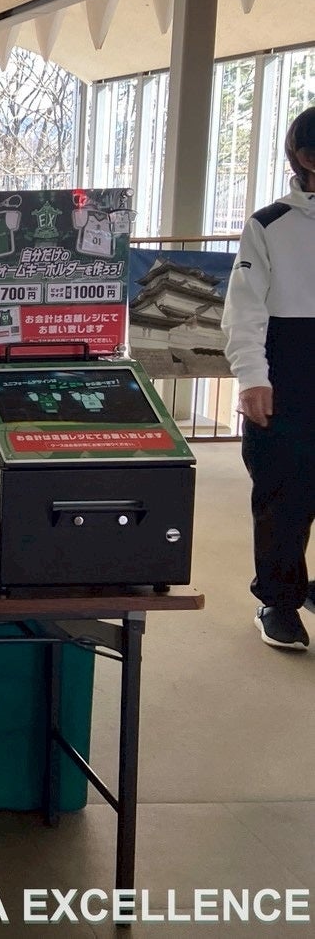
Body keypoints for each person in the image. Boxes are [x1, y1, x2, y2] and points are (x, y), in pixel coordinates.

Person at [224, 106, 315, 650]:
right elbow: (244, 307)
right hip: (289, 364)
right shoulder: (270, 224)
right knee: (284, 490)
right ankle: (279, 601)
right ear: (306, 158)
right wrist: (251, 377)